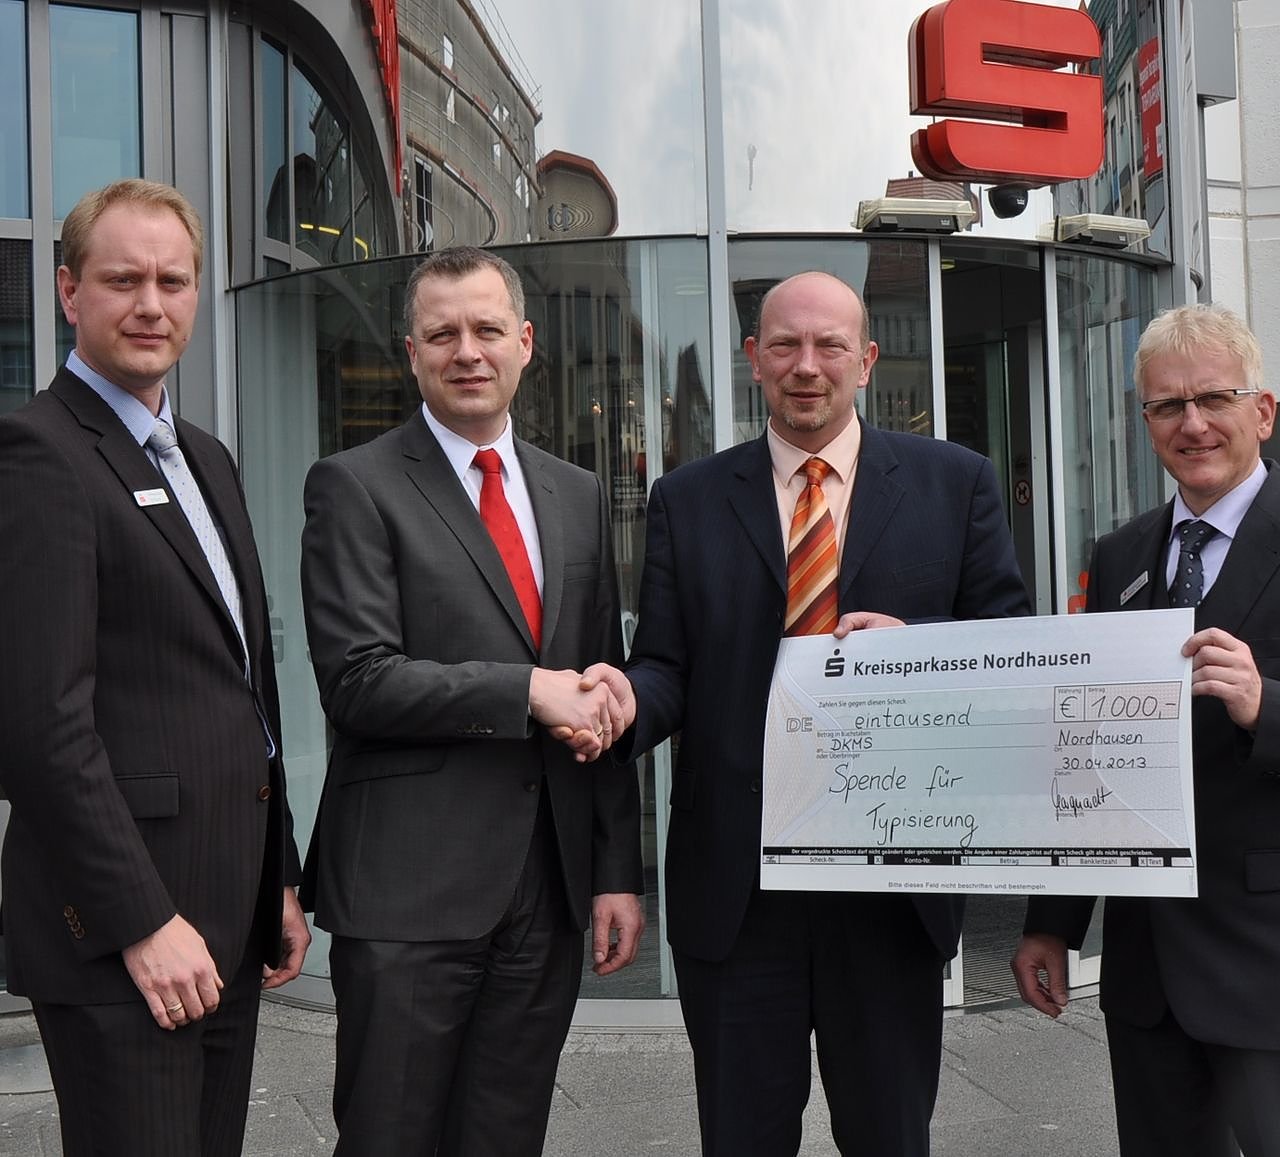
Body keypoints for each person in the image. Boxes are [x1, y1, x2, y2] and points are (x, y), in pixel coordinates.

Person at [582, 271, 1030, 1156]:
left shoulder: (957, 483)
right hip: (738, 892)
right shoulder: (687, 498)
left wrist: (916, 651)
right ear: (754, 359)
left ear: (866, 360)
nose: (806, 365)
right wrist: (627, 700)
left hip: (890, 887)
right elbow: (666, 665)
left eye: (830, 346)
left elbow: (1005, 653)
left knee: (889, 1135)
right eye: (785, 345)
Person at [299, 245, 645, 1156]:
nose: (467, 351)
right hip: (407, 891)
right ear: (411, 351)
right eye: (442, 333)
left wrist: (615, 870)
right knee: (389, 1136)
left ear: (523, 343)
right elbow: (358, 679)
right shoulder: (354, 484)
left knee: (505, 1135)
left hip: (546, 887)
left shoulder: (575, 494)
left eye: (487, 329)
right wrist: (526, 690)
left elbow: (599, 684)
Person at [0, 179, 310, 1156]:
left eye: (173, 281)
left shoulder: (206, 458)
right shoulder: (37, 454)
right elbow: (39, 727)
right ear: (69, 291)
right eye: (122, 279)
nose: (151, 303)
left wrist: (278, 879)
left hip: (226, 915)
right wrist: (141, 920)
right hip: (125, 937)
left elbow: (244, 687)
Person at [1013, 303, 1280, 1157]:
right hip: (1148, 971)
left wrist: (1265, 702)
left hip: (1266, 958)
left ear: (1263, 410)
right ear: (1146, 422)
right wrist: (1053, 920)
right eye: (1168, 405)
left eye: (1213, 398)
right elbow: (1089, 747)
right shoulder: (1122, 554)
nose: (1192, 423)